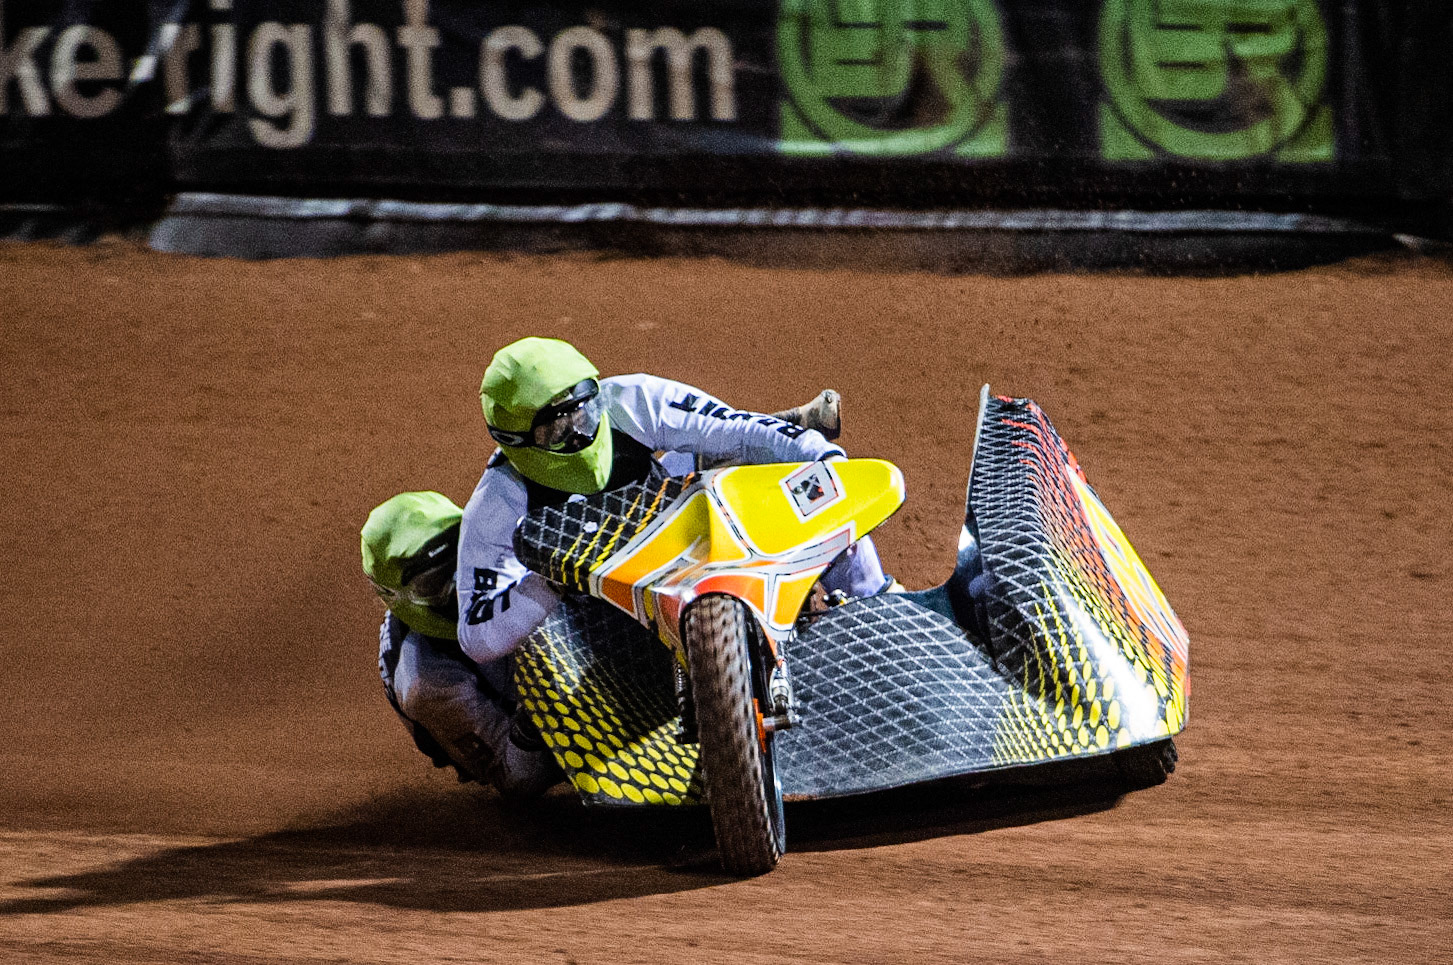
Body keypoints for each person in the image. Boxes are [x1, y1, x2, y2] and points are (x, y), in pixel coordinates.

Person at [455, 336, 891, 667]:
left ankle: (887, 615)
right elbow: (477, 636)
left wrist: (826, 461)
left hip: (688, 534)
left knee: (812, 511)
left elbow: (741, 428)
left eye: (583, 410)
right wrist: (550, 579)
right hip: (609, 632)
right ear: (516, 441)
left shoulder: (628, 400)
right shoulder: (497, 504)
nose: (580, 432)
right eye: (557, 428)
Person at [362, 490, 561, 799]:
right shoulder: (426, 682)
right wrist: (541, 708)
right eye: (434, 583)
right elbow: (518, 777)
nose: (460, 585)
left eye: (460, 556)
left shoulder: (491, 546)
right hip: (492, 716)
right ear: (396, 596)